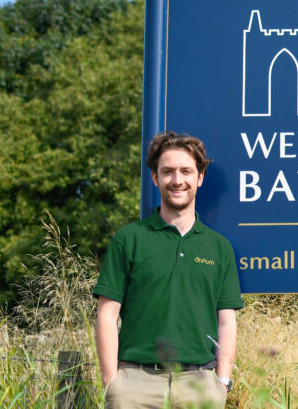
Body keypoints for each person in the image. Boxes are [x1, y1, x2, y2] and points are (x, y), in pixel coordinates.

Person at [93, 132, 244, 408]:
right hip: (135, 385)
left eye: (186, 171)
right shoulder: (129, 239)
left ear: (199, 178)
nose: (177, 180)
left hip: (199, 385)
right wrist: (111, 383)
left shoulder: (219, 248)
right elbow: (107, 315)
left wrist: (222, 381)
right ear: (155, 178)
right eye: (168, 172)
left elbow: (227, 321)